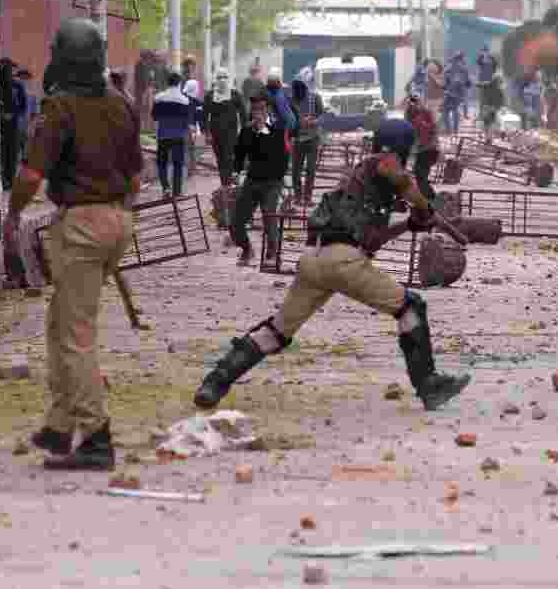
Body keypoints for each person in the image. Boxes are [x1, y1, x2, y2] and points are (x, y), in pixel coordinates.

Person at [193, 119, 472, 412]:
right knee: (411, 307)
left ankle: (215, 382)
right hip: (342, 262)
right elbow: (397, 174)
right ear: (400, 148)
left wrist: (408, 225)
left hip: (314, 260)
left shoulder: (360, 187)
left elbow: (370, 241)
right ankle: (428, 384)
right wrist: (423, 206)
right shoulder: (381, 163)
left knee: (276, 332)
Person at [3, 17, 142, 471]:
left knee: (75, 334)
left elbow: (30, 176)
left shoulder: (59, 107)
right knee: (61, 323)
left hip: (81, 224)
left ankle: (96, 435)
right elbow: (138, 176)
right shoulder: (121, 104)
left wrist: (14, 212)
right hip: (118, 219)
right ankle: (59, 425)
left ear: (60, 59)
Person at [231, 93, 288, 266]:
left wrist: (283, 183)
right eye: (254, 109)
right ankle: (247, 249)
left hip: (272, 182)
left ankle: (272, 252)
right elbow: (239, 155)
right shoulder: (247, 131)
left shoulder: (278, 129)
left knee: (269, 217)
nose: (258, 113)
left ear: (268, 110)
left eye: (261, 109)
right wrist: (237, 173)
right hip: (252, 181)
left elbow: (283, 158)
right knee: (236, 222)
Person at [151, 71, 191, 198]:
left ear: (167, 82)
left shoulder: (158, 98)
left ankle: (166, 189)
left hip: (163, 135)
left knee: (162, 163)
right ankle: (177, 191)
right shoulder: (185, 100)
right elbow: (187, 120)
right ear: (179, 83)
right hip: (179, 136)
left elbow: (154, 116)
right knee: (178, 163)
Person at [288, 75, 325, 207]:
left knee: (310, 168)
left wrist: (314, 121)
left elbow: (323, 115)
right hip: (297, 139)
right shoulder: (292, 100)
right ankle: (297, 197)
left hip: (312, 138)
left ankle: (307, 197)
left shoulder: (315, 98)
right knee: (296, 170)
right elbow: (287, 117)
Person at [204, 67, 245, 187]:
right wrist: (207, 133)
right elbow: (205, 115)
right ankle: (225, 183)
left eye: (225, 77)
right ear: (215, 79)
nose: (222, 80)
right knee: (220, 159)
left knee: (228, 157)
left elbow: (243, 114)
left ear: (229, 78)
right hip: (215, 132)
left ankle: (229, 181)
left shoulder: (234, 94)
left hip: (231, 132)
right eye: (219, 77)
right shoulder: (210, 95)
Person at [405, 95, 440, 200]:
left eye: (415, 102)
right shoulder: (409, 115)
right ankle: (428, 198)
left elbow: (434, 129)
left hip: (430, 149)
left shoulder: (426, 113)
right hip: (420, 150)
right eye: (411, 103)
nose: (413, 105)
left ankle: (432, 198)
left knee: (420, 175)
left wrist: (423, 125)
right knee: (419, 175)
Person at [0, 58, 27, 190]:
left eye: (10, 69)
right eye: (6, 69)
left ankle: (10, 180)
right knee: (2, 153)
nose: (8, 72)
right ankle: (3, 180)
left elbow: (23, 106)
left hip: (14, 124)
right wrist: (2, 114)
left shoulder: (17, 86)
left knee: (13, 152)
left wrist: (13, 115)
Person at [443, 52, 470, 134]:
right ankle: (455, 131)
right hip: (457, 93)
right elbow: (468, 82)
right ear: (460, 59)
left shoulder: (449, 68)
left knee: (446, 112)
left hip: (449, 93)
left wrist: (445, 88)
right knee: (454, 111)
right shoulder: (464, 69)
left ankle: (449, 130)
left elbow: (444, 79)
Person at [183, 79, 204, 179]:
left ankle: (189, 169)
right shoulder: (197, 102)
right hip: (191, 128)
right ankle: (191, 169)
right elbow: (200, 117)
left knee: (187, 149)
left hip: (182, 127)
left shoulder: (181, 98)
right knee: (193, 149)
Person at [265, 68, 298, 132]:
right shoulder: (280, 96)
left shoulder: (263, 93)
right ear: (278, 81)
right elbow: (290, 119)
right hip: (280, 130)